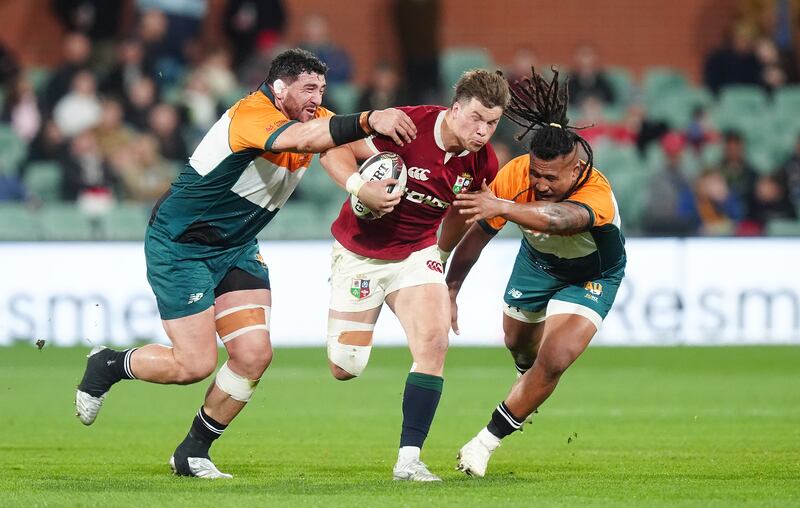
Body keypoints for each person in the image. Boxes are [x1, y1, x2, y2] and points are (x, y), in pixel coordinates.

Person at [74, 48, 416, 479]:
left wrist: (387, 169)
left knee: (254, 356)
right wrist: (370, 118)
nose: (317, 98)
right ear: (279, 88)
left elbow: (341, 146)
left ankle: (192, 453)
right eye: (309, 88)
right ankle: (107, 365)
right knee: (194, 365)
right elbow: (308, 139)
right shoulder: (251, 115)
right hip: (182, 245)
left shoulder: (314, 119)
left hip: (236, 247)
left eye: (322, 89)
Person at [319, 69, 510, 481]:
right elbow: (332, 147)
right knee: (345, 367)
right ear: (454, 109)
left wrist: (440, 256)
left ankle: (409, 460)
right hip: (360, 254)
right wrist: (359, 187)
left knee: (434, 343)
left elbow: (461, 211)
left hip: (416, 254)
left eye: (492, 123)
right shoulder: (406, 127)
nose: (483, 131)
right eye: (476, 118)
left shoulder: (483, 162)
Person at [447, 67, 626, 477]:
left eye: (550, 177)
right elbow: (478, 236)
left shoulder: (596, 193)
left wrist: (504, 207)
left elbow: (560, 219)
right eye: (535, 173)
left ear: (575, 170)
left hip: (592, 275)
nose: (540, 183)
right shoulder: (515, 175)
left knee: (556, 357)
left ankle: (483, 443)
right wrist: (451, 288)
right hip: (536, 264)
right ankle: (528, 383)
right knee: (518, 345)